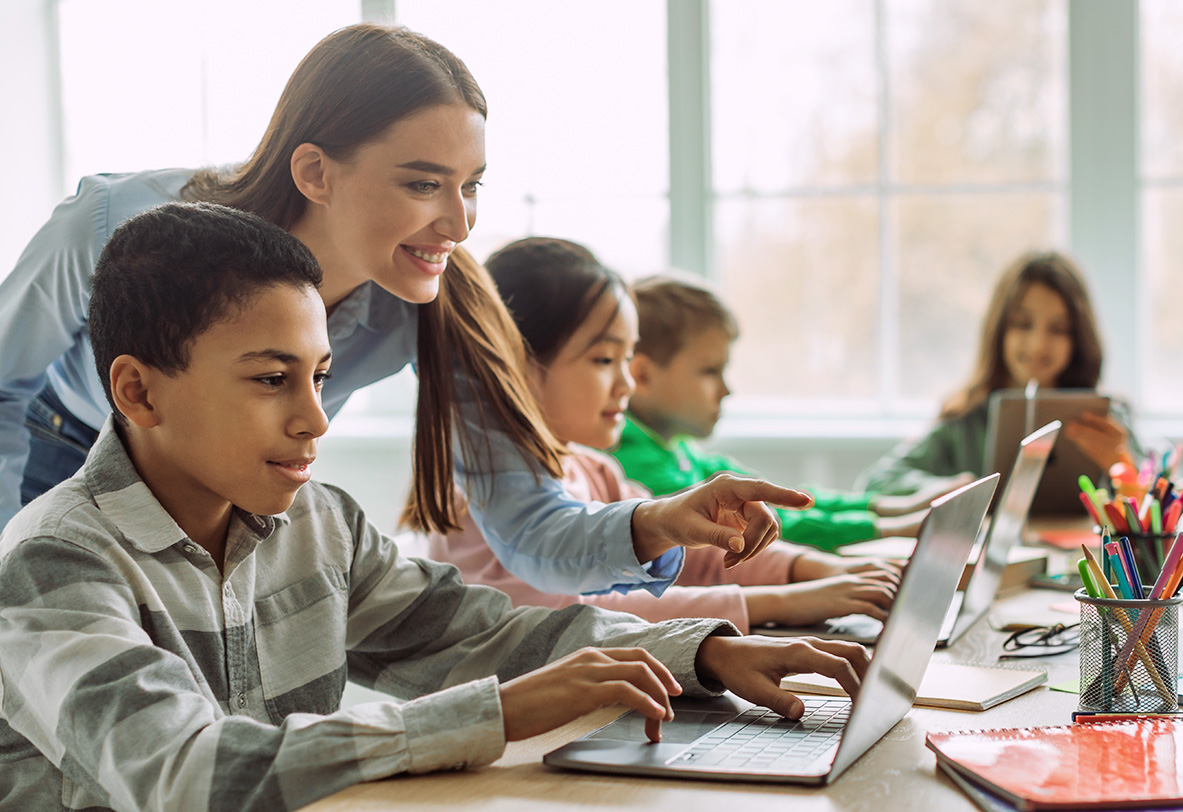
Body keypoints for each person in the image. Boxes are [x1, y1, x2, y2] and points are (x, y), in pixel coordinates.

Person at [0, 204, 870, 812]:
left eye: (320, 378)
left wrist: (710, 654)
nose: (312, 419)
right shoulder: (53, 563)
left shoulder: (318, 524)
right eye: (272, 380)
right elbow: (184, 778)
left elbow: (492, 636)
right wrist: (495, 713)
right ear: (138, 392)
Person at [0, 23, 808, 595]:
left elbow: (528, 528)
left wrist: (663, 520)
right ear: (315, 171)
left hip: (224, 486)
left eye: (471, 185)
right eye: (424, 184)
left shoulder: (434, 303)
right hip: (57, 456)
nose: (459, 225)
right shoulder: (113, 223)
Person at [429, 238, 900, 632]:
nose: (627, 384)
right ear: (517, 361)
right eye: (603, 360)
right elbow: (580, 620)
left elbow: (694, 555)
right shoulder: (483, 498)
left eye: (627, 359)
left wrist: (823, 571)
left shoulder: (597, 470)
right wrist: (786, 602)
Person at [609, 273, 948, 552]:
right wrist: (891, 526)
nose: (727, 390)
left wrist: (887, 507)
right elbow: (762, 526)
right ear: (642, 375)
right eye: (710, 371)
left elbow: (779, 498)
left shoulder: (676, 448)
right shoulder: (627, 459)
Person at [856, 250, 1134, 495]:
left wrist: (1124, 469)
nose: (1038, 345)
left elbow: (1165, 496)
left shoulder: (1106, 420)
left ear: (1078, 339)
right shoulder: (965, 419)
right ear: (999, 330)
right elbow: (876, 482)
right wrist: (951, 490)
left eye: (1058, 329)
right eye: (1022, 324)